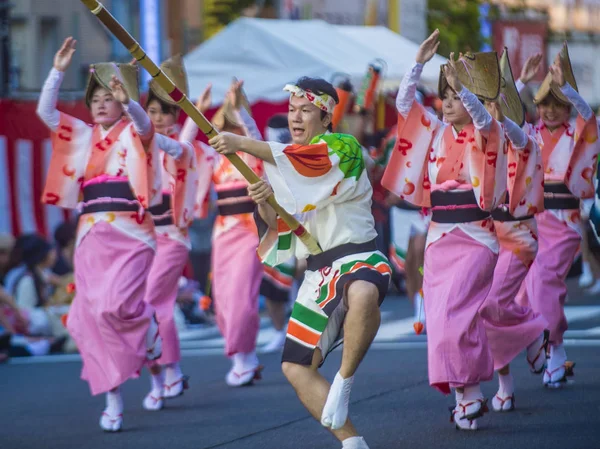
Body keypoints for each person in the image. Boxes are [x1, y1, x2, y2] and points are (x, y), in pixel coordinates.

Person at [209, 77, 392, 449]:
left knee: (362, 292)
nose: (296, 117)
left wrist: (241, 141)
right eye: (292, 110)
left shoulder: (343, 147)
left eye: (306, 110)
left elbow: (306, 164)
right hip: (318, 272)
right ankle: (352, 442)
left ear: (325, 119)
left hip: (358, 256)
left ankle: (344, 380)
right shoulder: (288, 163)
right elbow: (285, 232)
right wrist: (264, 201)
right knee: (294, 366)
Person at [382, 30, 507, 430]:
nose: (448, 104)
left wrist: (464, 87)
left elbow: (483, 116)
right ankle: (465, 397)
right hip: (440, 239)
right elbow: (405, 105)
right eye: (446, 97)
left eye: (455, 97)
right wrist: (417, 63)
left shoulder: (488, 133)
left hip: (477, 239)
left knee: (456, 317)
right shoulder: (435, 132)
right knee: (440, 323)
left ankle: (470, 394)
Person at [37, 37, 163, 432]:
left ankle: (147, 322)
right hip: (91, 235)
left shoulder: (134, 133)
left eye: (108, 98)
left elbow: (143, 123)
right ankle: (112, 399)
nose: (100, 104)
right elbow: (46, 112)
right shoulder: (82, 135)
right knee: (91, 316)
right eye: (95, 99)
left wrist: (129, 102)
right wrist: (57, 70)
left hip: (132, 234)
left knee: (114, 307)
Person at [516, 45, 600, 388]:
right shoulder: (531, 134)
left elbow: (588, 116)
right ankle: (550, 347)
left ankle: (554, 349)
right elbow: (501, 122)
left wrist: (567, 87)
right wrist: (520, 84)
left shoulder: (577, 132)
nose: (549, 111)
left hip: (564, 223)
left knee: (545, 281)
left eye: (557, 104)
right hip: (532, 221)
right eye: (544, 104)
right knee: (526, 290)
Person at [479, 49, 549, 412]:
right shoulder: (482, 141)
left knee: (491, 306)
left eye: (492, 105)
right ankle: (508, 377)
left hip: (519, 237)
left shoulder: (523, 140)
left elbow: (509, 123)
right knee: (483, 309)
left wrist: (509, 89)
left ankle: (533, 329)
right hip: (486, 236)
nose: (487, 113)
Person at [187, 80, 265, 386]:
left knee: (242, 297)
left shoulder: (252, 154)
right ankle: (243, 357)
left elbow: (256, 135)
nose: (227, 132)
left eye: (233, 125)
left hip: (250, 230)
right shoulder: (213, 159)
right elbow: (184, 147)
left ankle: (243, 357)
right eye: (224, 126)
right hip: (223, 232)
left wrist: (239, 109)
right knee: (222, 297)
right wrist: (196, 111)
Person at [141, 55, 204, 411]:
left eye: (165, 112)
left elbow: (174, 144)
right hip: (141, 240)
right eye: (151, 111)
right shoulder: (136, 151)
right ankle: (161, 376)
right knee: (145, 307)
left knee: (151, 300)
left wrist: (193, 112)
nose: (158, 118)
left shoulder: (182, 149)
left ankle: (171, 370)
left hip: (173, 239)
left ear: (175, 117)